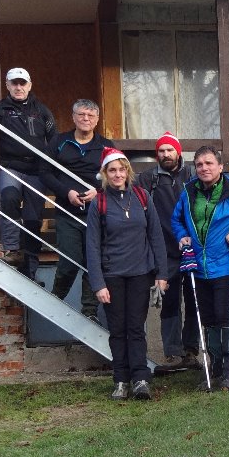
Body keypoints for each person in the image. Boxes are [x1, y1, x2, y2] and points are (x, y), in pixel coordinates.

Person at [171, 146, 229, 390]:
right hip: (197, 267)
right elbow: (176, 219)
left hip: (224, 266)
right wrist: (181, 235)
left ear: (220, 167)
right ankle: (214, 368)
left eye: (209, 163)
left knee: (224, 317)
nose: (204, 168)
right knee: (207, 318)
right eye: (199, 164)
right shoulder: (188, 193)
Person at [86, 147, 168, 400]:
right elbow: (92, 246)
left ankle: (141, 379)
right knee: (118, 330)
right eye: (112, 170)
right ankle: (121, 380)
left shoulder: (142, 197)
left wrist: (161, 274)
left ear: (128, 172)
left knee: (136, 328)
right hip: (112, 276)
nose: (118, 174)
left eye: (122, 169)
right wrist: (98, 283)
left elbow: (156, 236)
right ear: (105, 173)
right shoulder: (99, 202)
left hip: (140, 274)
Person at [0, 68, 56, 274]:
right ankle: (12, 250)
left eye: (22, 83)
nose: (18, 87)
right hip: (11, 167)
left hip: (36, 170)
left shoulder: (42, 111)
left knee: (33, 215)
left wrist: (52, 167)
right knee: (8, 198)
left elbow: (54, 139)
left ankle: (31, 261)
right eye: (14, 83)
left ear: (29, 85)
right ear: (7, 86)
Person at [134, 132, 199, 371]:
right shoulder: (147, 179)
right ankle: (173, 352)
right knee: (170, 303)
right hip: (164, 252)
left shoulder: (192, 175)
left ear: (178, 152)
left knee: (194, 300)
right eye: (161, 151)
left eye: (170, 150)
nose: (165, 154)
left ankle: (191, 350)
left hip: (192, 248)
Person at [46, 100, 112, 321]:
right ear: (73, 117)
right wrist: (67, 192)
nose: (86, 119)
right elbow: (45, 172)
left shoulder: (105, 146)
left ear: (97, 119)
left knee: (92, 262)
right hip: (67, 212)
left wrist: (98, 191)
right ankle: (55, 299)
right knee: (69, 259)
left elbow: (118, 175)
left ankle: (89, 311)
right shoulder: (59, 142)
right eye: (81, 114)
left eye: (91, 115)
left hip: (96, 213)